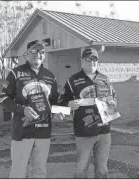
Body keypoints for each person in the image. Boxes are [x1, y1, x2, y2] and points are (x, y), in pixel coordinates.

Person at [0, 40, 64, 178]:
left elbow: (53, 101)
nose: (38, 54)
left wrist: (58, 112)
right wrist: (21, 109)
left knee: (39, 172)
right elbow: (3, 99)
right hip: (22, 132)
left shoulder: (50, 76)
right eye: (34, 51)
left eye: (41, 51)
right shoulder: (15, 73)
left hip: (44, 132)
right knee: (18, 172)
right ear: (27, 54)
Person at [58, 47, 117, 178]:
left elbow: (113, 98)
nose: (92, 61)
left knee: (102, 169)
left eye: (95, 58)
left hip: (104, 132)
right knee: (81, 169)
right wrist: (68, 104)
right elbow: (61, 102)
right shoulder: (72, 80)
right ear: (82, 61)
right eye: (88, 58)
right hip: (83, 132)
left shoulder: (104, 79)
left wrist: (112, 104)